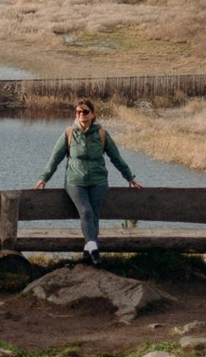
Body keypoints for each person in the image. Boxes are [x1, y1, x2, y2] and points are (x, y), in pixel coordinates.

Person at [34, 99, 140, 266]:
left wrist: (130, 177)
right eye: (78, 112)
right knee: (86, 212)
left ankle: (87, 253)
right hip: (75, 181)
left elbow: (116, 158)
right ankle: (94, 250)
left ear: (93, 114)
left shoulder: (101, 134)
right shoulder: (69, 133)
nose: (81, 114)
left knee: (94, 216)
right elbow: (55, 158)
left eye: (84, 112)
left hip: (98, 181)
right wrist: (44, 178)